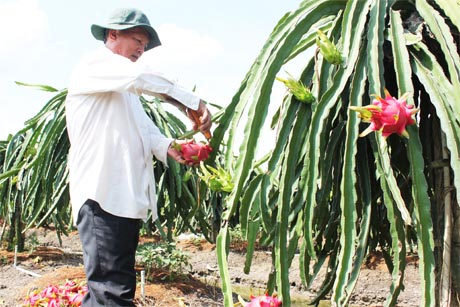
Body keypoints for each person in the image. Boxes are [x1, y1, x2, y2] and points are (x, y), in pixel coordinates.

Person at [65, 7, 212, 306]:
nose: (141, 49)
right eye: (137, 39)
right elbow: (142, 77)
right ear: (112, 34)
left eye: (145, 44)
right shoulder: (95, 65)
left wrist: (173, 148)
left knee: (108, 290)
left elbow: (146, 133)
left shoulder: (125, 94)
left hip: (124, 200)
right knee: (111, 293)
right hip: (102, 196)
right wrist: (192, 102)